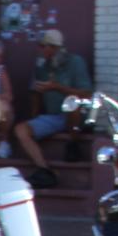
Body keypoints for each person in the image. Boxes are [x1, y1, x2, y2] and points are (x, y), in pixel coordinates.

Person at [11, 28, 93, 188]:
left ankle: (73, 144)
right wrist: (35, 99)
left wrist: (57, 87)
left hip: (75, 115)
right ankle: (44, 169)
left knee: (73, 104)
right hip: (54, 116)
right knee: (21, 130)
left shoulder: (75, 62)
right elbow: (36, 94)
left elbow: (87, 94)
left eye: (44, 47)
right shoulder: (42, 66)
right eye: (40, 46)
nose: (41, 50)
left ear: (55, 48)